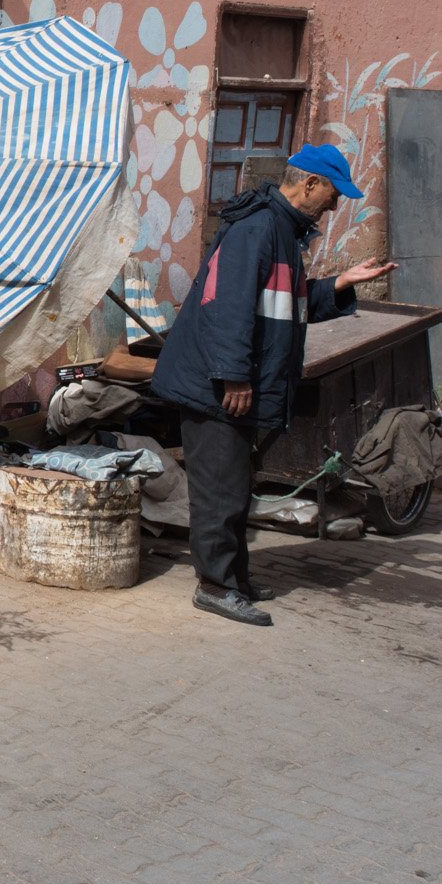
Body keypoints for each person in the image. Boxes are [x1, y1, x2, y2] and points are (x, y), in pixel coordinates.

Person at [150, 143, 396, 626]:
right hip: (216, 387)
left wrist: (339, 285)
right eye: (332, 194)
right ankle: (215, 586)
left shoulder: (282, 232)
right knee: (219, 491)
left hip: (232, 383)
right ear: (309, 184)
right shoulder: (259, 229)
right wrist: (234, 376)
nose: (334, 205)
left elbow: (290, 307)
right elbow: (227, 309)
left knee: (237, 488)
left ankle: (234, 578)